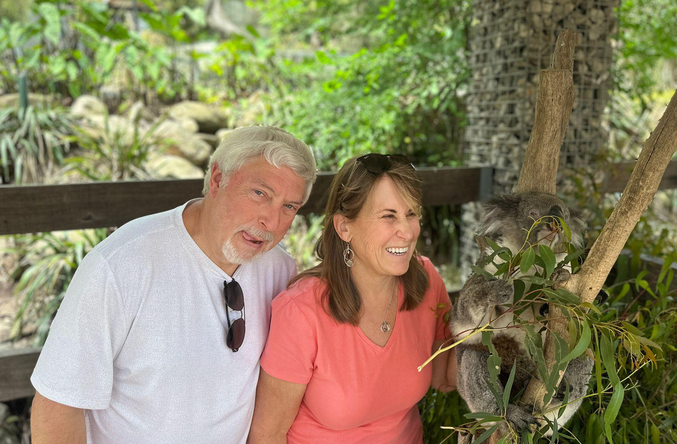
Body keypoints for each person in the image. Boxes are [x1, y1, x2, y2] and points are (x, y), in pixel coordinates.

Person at [30, 126, 317, 444]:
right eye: (260, 194)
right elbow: (57, 406)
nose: (272, 222)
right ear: (218, 179)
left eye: (289, 207)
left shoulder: (279, 268)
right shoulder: (121, 264)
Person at [249, 153, 455, 444]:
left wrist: (487, 320)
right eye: (388, 216)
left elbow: (445, 379)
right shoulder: (301, 312)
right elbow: (267, 435)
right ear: (345, 227)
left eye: (412, 214)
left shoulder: (425, 280)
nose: (407, 232)